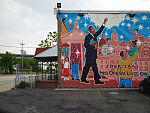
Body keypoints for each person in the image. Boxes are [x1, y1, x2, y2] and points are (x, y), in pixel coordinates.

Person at [81, 18, 108, 85]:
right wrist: (93, 47)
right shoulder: (87, 37)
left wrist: (104, 23)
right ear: (90, 30)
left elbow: (99, 31)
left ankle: (84, 79)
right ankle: (96, 80)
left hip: (93, 55)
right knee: (93, 68)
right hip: (90, 55)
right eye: (93, 28)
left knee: (88, 67)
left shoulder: (95, 35)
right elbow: (86, 45)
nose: (94, 29)